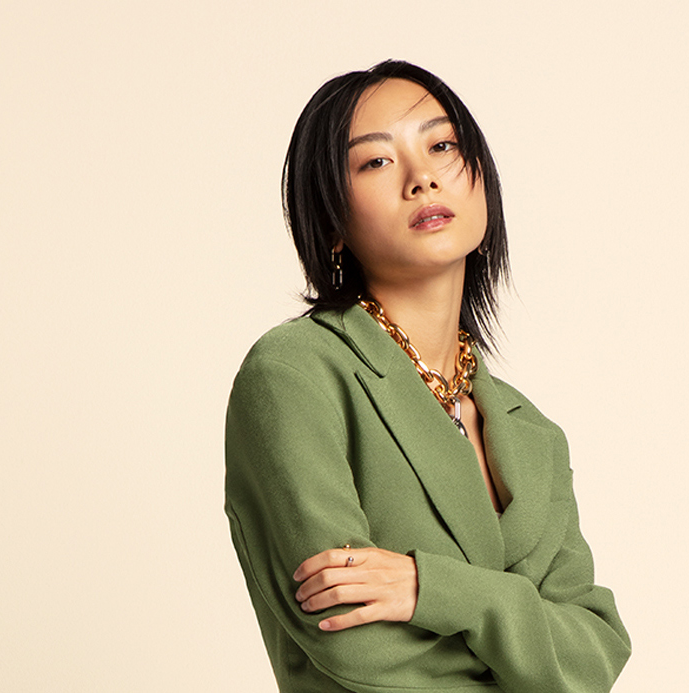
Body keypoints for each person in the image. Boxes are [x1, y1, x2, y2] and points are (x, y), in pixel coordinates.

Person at [224, 60, 630, 692]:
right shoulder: (295, 376)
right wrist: (527, 645)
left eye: (442, 145)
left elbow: (594, 654)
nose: (423, 178)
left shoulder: (533, 436)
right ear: (331, 221)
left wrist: (429, 588)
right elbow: (353, 639)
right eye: (376, 162)